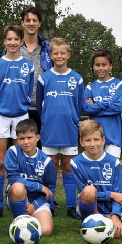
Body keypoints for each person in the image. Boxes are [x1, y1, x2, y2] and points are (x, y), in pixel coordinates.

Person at [36, 37, 85, 218]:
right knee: (50, 169)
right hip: (50, 130)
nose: (59, 56)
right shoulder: (44, 77)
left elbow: (79, 105)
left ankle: (71, 206)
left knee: (68, 167)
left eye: (62, 53)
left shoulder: (77, 78)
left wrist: (72, 119)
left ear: (68, 54)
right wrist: (47, 119)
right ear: (50, 55)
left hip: (69, 129)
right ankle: (48, 204)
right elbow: (40, 105)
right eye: (55, 53)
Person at [0, 25, 34, 217]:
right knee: (0, 162)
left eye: (16, 39)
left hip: (21, 116)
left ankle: (18, 200)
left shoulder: (29, 66)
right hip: (0, 115)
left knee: (19, 162)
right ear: (4, 41)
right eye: (9, 39)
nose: (13, 42)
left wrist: (22, 106)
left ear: (22, 41)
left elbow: (29, 90)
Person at [70, 120, 122, 239]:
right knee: (89, 191)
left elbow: (119, 194)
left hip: (109, 208)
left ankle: (108, 217)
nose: (92, 144)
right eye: (88, 140)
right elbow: (83, 193)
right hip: (88, 204)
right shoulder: (76, 163)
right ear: (81, 142)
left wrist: (115, 216)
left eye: (96, 139)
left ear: (103, 140)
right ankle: (87, 222)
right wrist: (111, 194)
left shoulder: (114, 162)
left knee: (116, 234)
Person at [4, 119, 56, 236]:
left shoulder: (46, 161)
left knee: (46, 231)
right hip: (18, 196)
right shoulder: (13, 152)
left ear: (37, 137)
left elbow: (50, 189)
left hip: (38, 199)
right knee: (18, 187)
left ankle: (32, 215)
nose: (26, 142)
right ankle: (19, 222)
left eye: (29, 137)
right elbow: (14, 179)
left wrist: (35, 205)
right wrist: (39, 187)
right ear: (17, 139)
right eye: (21, 139)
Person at [15, 6, 52, 139]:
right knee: (20, 148)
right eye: (28, 20)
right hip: (19, 108)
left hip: (42, 108)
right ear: (22, 23)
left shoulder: (48, 48)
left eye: (34, 20)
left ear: (39, 23)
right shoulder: (13, 47)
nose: (31, 23)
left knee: (42, 148)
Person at [83, 49, 122, 159]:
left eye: (104, 64)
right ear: (93, 66)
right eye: (97, 65)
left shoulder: (119, 84)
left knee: (111, 167)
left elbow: (118, 107)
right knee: (94, 168)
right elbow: (87, 109)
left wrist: (96, 106)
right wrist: (105, 103)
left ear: (111, 66)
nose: (101, 68)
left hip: (114, 137)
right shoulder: (90, 87)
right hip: (94, 137)